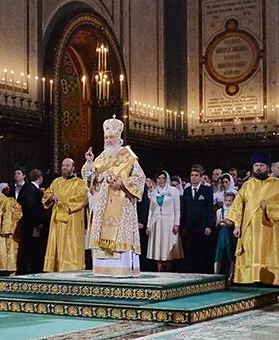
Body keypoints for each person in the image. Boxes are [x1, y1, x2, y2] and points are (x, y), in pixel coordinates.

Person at [82, 117, 146, 277]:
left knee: (119, 234)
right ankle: (103, 270)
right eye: (106, 137)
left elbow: (140, 178)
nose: (109, 140)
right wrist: (89, 163)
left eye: (112, 137)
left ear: (119, 139)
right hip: (102, 205)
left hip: (122, 204)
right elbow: (89, 180)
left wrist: (123, 183)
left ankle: (122, 269)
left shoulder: (128, 156)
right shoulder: (101, 157)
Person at [227, 151, 279, 286]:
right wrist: (237, 226)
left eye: (262, 165)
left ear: (268, 167)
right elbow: (238, 206)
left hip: (270, 228)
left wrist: (270, 206)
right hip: (250, 229)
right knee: (251, 252)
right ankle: (250, 279)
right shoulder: (247, 186)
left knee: (269, 253)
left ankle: (270, 279)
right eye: (256, 165)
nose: (259, 168)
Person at [42, 158, 87, 272]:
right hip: (56, 220)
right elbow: (46, 194)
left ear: (73, 167)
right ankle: (55, 267)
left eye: (67, 165)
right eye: (63, 165)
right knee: (56, 243)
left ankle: (71, 268)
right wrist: (51, 197)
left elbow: (81, 199)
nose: (64, 168)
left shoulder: (80, 183)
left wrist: (62, 202)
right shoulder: (56, 182)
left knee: (70, 245)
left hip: (72, 220)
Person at [180, 164, 215, 273]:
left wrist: (209, 225)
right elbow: (184, 210)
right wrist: (183, 226)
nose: (194, 177)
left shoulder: (206, 190)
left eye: (196, 175)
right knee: (191, 251)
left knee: (203, 251)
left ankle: (204, 273)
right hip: (190, 226)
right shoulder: (186, 191)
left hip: (202, 226)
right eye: (192, 175)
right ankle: (192, 272)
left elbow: (209, 209)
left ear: (200, 177)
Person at [145, 171, 181, 271]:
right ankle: (160, 272)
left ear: (166, 179)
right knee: (158, 247)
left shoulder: (173, 191)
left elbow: (177, 209)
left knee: (168, 246)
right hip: (156, 223)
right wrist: (149, 225)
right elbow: (151, 210)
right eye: (159, 178)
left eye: (163, 178)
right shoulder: (153, 192)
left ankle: (169, 272)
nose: (161, 180)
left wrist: (176, 224)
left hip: (169, 222)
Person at [214, 190, 237, 276]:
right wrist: (220, 222)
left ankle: (231, 276)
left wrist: (228, 222)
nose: (227, 203)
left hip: (231, 233)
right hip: (222, 233)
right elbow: (217, 224)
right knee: (219, 254)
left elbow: (234, 223)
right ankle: (216, 275)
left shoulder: (235, 211)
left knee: (231, 254)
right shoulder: (219, 211)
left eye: (230, 201)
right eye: (226, 200)